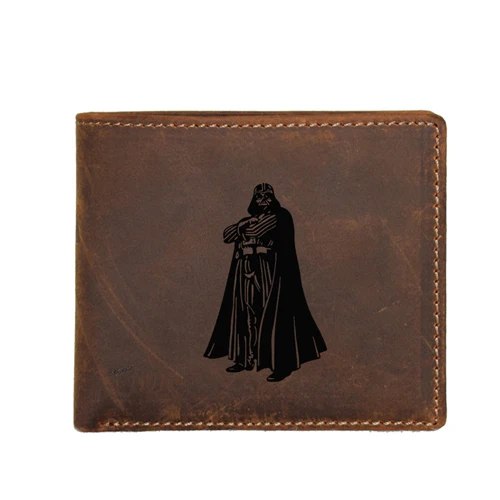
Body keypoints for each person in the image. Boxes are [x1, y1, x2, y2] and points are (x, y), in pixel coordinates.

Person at [204, 183, 326, 382]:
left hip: (269, 271)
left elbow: (257, 231)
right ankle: (244, 358)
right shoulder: (248, 220)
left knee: (271, 314)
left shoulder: (281, 216)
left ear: (273, 198)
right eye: (259, 196)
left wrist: (243, 227)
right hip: (245, 271)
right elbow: (227, 235)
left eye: (267, 195)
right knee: (245, 313)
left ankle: (280, 364)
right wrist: (243, 225)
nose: (263, 199)